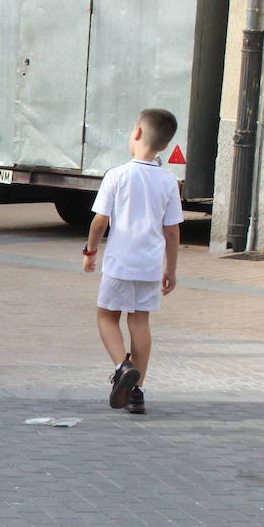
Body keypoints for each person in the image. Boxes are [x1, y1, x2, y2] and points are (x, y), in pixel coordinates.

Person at [83, 108, 183, 416]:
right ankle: (136, 393)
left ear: (137, 133)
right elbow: (172, 231)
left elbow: (100, 220)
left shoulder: (117, 175)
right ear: (164, 146)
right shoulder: (168, 182)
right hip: (150, 265)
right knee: (139, 322)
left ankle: (122, 367)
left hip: (119, 263)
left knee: (106, 318)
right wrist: (171, 269)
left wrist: (90, 251)